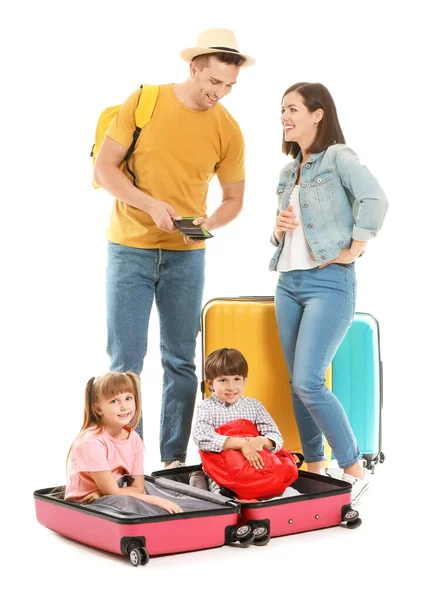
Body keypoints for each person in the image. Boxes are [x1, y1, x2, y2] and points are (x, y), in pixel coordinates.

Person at [93, 29, 254, 469]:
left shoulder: (227, 128)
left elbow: (234, 199)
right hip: (130, 248)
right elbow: (104, 169)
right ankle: (129, 460)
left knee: (181, 362)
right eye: (214, 82)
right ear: (194, 67)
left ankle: (172, 462)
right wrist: (149, 204)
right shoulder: (144, 102)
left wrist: (211, 221)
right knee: (125, 362)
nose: (219, 94)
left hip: (187, 255)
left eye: (228, 87)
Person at [270, 82, 388, 504]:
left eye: (293, 109)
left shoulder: (338, 157)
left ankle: (353, 467)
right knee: (296, 384)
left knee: (309, 380)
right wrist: (277, 229)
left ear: (317, 114)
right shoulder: (289, 172)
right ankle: (314, 467)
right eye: (281, 109)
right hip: (288, 283)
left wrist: (355, 246)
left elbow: (375, 199)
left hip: (328, 284)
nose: (284, 116)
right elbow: (286, 233)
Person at [65, 371, 221, 516]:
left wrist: (151, 496)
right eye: (114, 401)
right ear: (98, 408)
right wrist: (155, 500)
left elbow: (138, 487)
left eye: (128, 398)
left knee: (152, 486)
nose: (124, 406)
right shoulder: (92, 442)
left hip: (115, 491)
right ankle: (183, 514)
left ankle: (208, 507)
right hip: (92, 503)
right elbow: (112, 491)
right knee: (129, 502)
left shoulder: (134, 439)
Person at [192, 348, 300, 499]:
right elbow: (201, 436)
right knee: (223, 499)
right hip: (224, 474)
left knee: (290, 495)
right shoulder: (207, 407)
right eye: (223, 380)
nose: (231, 387)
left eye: (237, 379)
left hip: (257, 469)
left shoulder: (254, 405)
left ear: (245, 380)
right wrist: (241, 444)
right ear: (210, 383)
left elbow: (276, 436)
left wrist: (261, 441)